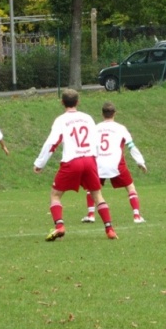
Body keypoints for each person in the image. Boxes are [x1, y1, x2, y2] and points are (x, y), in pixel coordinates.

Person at [33, 88, 118, 241]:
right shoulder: (87, 118)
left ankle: (59, 226)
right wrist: (95, 160)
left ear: (62, 102)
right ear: (78, 102)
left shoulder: (61, 120)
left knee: (55, 195)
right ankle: (110, 229)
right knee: (97, 195)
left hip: (72, 161)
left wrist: (40, 163)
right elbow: (96, 141)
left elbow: (52, 143)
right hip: (89, 160)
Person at [81, 102, 148, 224]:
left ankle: (91, 215)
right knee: (130, 187)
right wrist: (140, 162)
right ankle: (137, 216)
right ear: (114, 114)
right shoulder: (121, 128)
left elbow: (88, 146)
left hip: (98, 163)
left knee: (92, 188)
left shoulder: (95, 128)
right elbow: (131, 146)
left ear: (102, 114)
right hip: (116, 164)